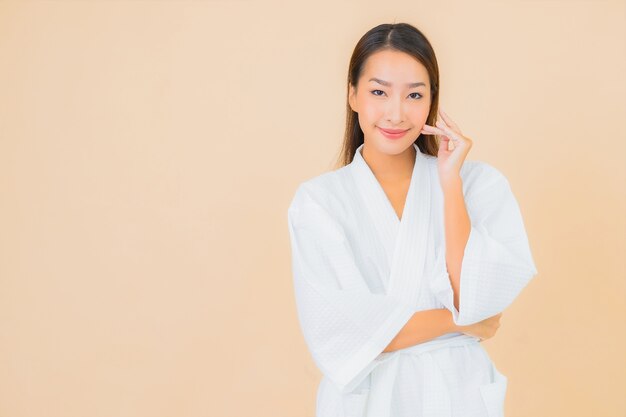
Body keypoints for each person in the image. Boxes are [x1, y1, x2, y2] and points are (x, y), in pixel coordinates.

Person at [286, 22, 538, 417]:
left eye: (415, 95)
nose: (396, 113)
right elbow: (341, 333)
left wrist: (450, 184)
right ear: (352, 94)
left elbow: (474, 300)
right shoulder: (319, 202)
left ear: (432, 100)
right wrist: (459, 324)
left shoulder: (478, 184)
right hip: (366, 401)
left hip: (456, 394)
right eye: (378, 92)